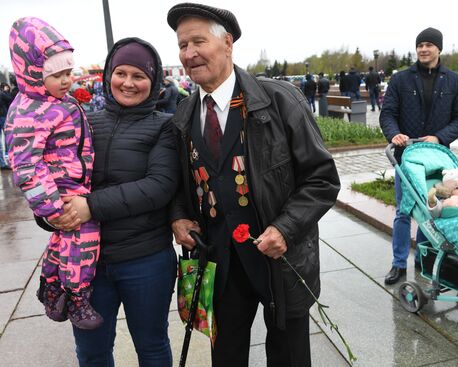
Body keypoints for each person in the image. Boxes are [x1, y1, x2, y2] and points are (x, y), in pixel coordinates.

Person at [166, 3, 340, 366]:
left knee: (289, 355)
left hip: (279, 256)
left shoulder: (279, 100)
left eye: (198, 41)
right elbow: (180, 186)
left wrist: (285, 228)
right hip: (219, 260)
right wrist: (179, 217)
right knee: (226, 355)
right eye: (183, 45)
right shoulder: (183, 115)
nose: (189, 53)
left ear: (227, 43)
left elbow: (322, 179)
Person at [55, 38, 181, 365]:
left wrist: (89, 206)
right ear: (108, 75)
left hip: (146, 259)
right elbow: (58, 176)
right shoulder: (83, 122)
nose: (128, 82)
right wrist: (51, 212)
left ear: (153, 82)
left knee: (152, 346)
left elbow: (159, 186)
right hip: (87, 264)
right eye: (120, 73)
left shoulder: (165, 126)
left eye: (139, 75)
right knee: (92, 351)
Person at [5, 17, 102, 330]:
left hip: (71, 182)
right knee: (84, 237)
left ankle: (49, 281)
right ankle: (77, 296)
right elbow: (25, 163)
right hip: (59, 189)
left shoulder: (56, 102)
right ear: (33, 73)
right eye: (56, 74)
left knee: (63, 239)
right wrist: (51, 207)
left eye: (68, 72)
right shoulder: (29, 110)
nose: (66, 80)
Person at [379, 27, 458, 285]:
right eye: (420, 45)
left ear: (439, 49)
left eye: (429, 44)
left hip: (438, 158)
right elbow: (387, 114)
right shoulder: (400, 80)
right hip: (406, 157)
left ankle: (423, 259)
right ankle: (398, 264)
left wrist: (440, 137)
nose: (423, 49)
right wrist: (394, 133)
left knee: (430, 210)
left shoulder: (453, 81)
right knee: (403, 211)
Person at [0, 82, 13, 169]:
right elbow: (10, 99)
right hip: (2, 117)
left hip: (2, 117)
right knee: (7, 138)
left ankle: (3, 162)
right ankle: (5, 161)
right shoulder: (2, 94)